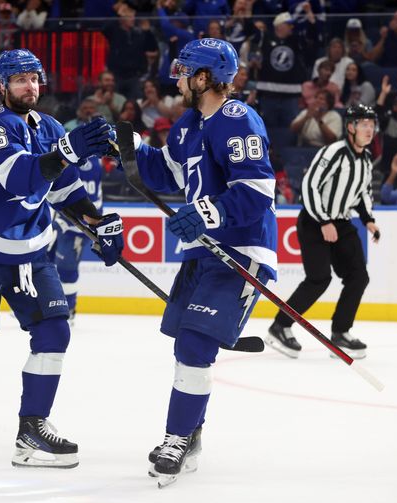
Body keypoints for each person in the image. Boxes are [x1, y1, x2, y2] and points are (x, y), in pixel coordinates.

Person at [0, 49, 123, 471]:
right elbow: (20, 178)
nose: (30, 86)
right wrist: (67, 151)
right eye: (19, 79)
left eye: (34, 78)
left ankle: (32, 430)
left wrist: (95, 222)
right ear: (2, 86)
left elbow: (64, 189)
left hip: (31, 251)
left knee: (54, 332)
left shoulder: (49, 127)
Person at [123, 38, 276, 488]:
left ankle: (176, 439)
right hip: (202, 250)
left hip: (240, 251)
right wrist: (129, 145)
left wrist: (207, 212)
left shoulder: (238, 119)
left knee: (194, 347)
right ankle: (190, 435)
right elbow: (166, 173)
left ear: (205, 78)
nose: (178, 81)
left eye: (185, 73)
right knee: (186, 348)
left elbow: (257, 191)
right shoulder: (188, 124)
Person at [267, 104, 381, 360]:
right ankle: (280, 326)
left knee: (358, 277)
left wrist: (368, 220)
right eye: (364, 124)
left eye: (372, 125)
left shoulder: (365, 158)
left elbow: (363, 192)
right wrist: (324, 221)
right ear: (350, 127)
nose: (369, 129)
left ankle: (340, 332)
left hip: (341, 222)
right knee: (319, 279)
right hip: (314, 221)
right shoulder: (334, 152)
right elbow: (310, 186)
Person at [47, 152, 104, 324]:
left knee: (66, 270)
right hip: (61, 222)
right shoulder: (83, 159)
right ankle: (44, 305)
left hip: (77, 228)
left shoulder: (90, 165)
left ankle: (69, 309)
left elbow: (88, 201)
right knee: (46, 262)